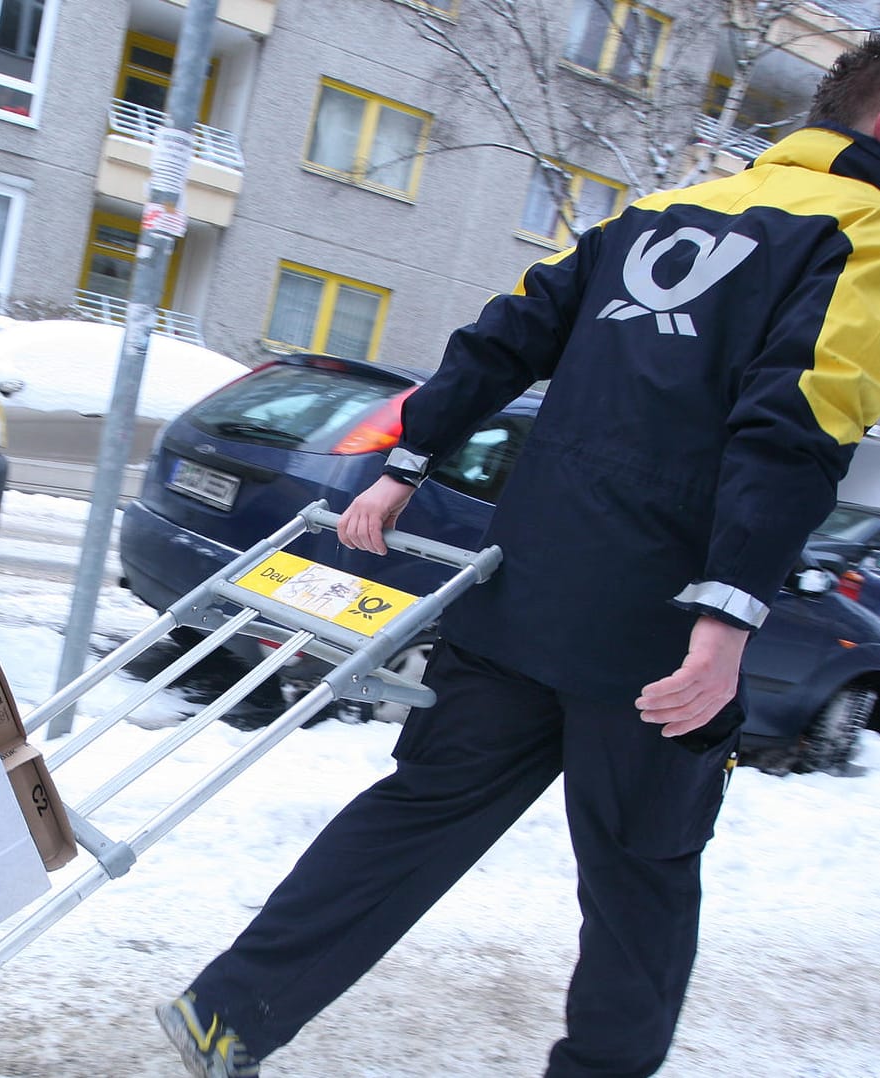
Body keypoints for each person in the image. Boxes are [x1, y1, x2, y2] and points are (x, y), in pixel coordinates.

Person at [156, 34, 880, 1078]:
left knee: (420, 811)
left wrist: (406, 460)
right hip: (657, 636)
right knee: (643, 876)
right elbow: (795, 427)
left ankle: (231, 1012)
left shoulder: (659, 210)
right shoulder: (858, 233)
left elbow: (508, 332)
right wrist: (727, 621)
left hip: (522, 592)